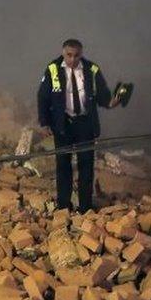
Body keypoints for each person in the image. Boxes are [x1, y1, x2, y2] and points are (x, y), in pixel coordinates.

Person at [37, 38, 121, 213]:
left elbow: (103, 94)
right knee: (63, 165)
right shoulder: (53, 69)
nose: (73, 60)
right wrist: (44, 123)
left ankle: (85, 207)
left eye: (76, 56)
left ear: (81, 54)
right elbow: (43, 97)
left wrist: (111, 102)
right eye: (69, 55)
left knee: (86, 165)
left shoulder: (92, 69)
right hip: (63, 124)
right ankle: (63, 206)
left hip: (85, 123)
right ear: (63, 52)